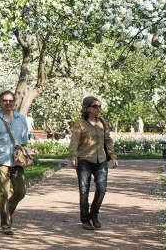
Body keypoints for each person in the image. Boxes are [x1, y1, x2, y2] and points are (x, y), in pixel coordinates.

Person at [69, 96, 118, 230]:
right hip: (84, 160)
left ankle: (94, 214)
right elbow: (74, 140)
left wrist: (113, 156)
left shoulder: (102, 122)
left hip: (101, 160)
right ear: (87, 108)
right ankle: (85, 220)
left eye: (99, 106)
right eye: (95, 106)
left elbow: (107, 140)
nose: (98, 109)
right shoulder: (79, 123)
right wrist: (73, 156)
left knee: (102, 189)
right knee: (84, 192)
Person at [0, 90, 29, 236]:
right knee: (3, 192)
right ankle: (6, 224)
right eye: (5, 100)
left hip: (17, 160)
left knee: (21, 191)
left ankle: (6, 213)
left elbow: (24, 139)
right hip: (0, 159)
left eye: (10, 100)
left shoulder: (21, 119)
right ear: (0, 102)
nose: (8, 103)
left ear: (14, 102)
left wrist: (23, 154)